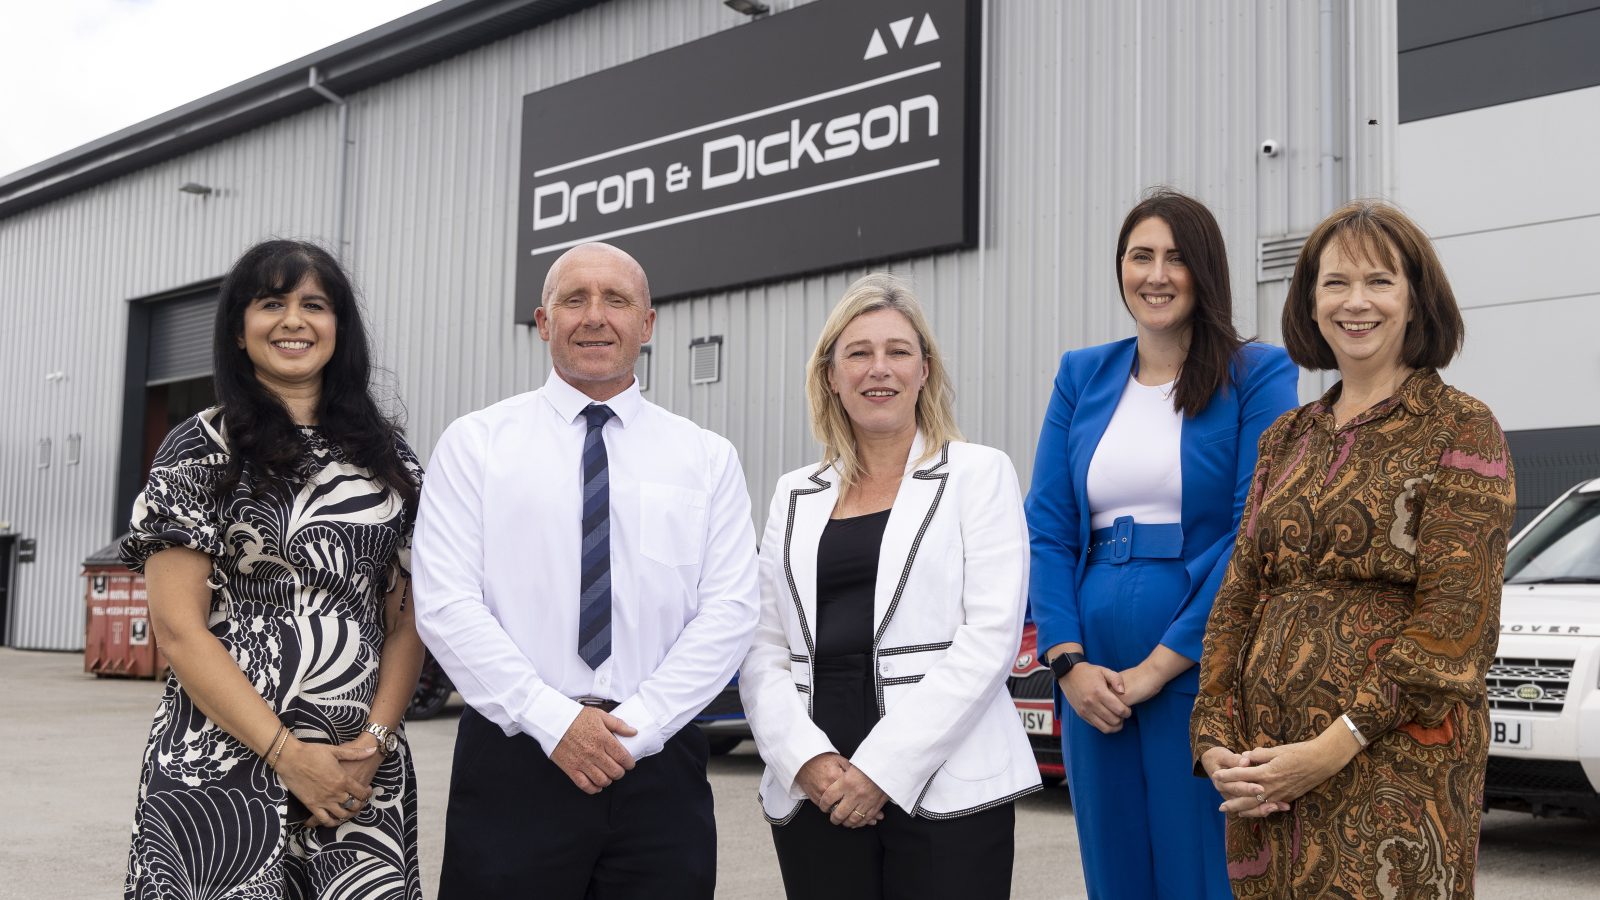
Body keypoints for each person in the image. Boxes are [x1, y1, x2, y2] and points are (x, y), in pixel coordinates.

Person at [411, 242, 760, 900]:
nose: (595, 316)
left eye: (617, 300)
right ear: (544, 321)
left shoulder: (706, 458)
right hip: (517, 757)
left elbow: (730, 610)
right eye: (574, 299)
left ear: (648, 324)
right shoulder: (476, 445)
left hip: (658, 765)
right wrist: (553, 720)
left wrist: (640, 729)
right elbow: (446, 604)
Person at [1191, 200, 1515, 897]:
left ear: (1416, 299)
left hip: (1392, 773)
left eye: (1380, 281)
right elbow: (1238, 597)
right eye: (1335, 282)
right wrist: (1216, 741)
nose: (1355, 301)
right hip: (1266, 779)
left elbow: (1455, 628)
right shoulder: (1285, 438)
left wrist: (1331, 747)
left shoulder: (1461, 427)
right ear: (1310, 303)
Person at [120, 240, 426, 899]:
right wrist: (288, 756)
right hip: (221, 768)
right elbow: (178, 631)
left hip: (355, 779)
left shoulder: (389, 459)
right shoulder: (200, 447)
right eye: (272, 303)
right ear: (239, 328)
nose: (294, 320)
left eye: (314, 305)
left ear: (338, 329)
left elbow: (410, 617)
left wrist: (374, 740)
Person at [1026, 189, 1299, 899]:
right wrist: (1068, 662)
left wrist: (1155, 669)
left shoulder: (1257, 373)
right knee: (1113, 871)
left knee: (1197, 869)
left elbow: (1256, 531)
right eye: (1140, 256)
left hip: (1198, 657)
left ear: (1205, 271)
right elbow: (1049, 526)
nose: (1156, 274)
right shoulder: (1080, 374)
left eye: (1176, 258)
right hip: (1091, 669)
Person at [740, 273, 1038, 900]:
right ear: (830, 374)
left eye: (898, 351)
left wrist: (882, 768)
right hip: (816, 784)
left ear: (924, 370)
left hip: (948, 779)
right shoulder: (794, 493)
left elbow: (989, 639)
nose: (880, 369)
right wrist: (805, 760)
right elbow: (762, 645)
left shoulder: (979, 474)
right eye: (859, 352)